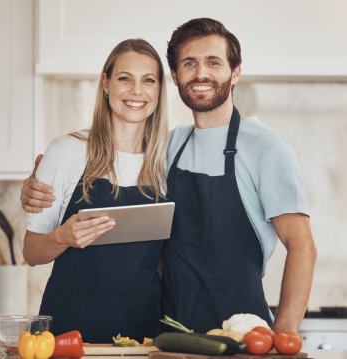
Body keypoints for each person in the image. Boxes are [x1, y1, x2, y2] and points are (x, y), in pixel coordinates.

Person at [21, 18, 317, 334]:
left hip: (241, 330)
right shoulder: (170, 146)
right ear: (175, 76)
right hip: (170, 331)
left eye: (213, 62)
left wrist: (284, 338)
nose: (201, 73)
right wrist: (34, 189)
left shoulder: (266, 146)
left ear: (236, 71)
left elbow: (302, 246)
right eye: (190, 63)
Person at [22, 38, 169, 343]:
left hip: (142, 337)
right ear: (106, 83)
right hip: (68, 333)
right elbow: (31, 252)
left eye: (149, 80)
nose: (137, 91)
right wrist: (62, 236)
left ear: (159, 90)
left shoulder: (168, 162)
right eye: (124, 78)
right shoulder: (67, 151)